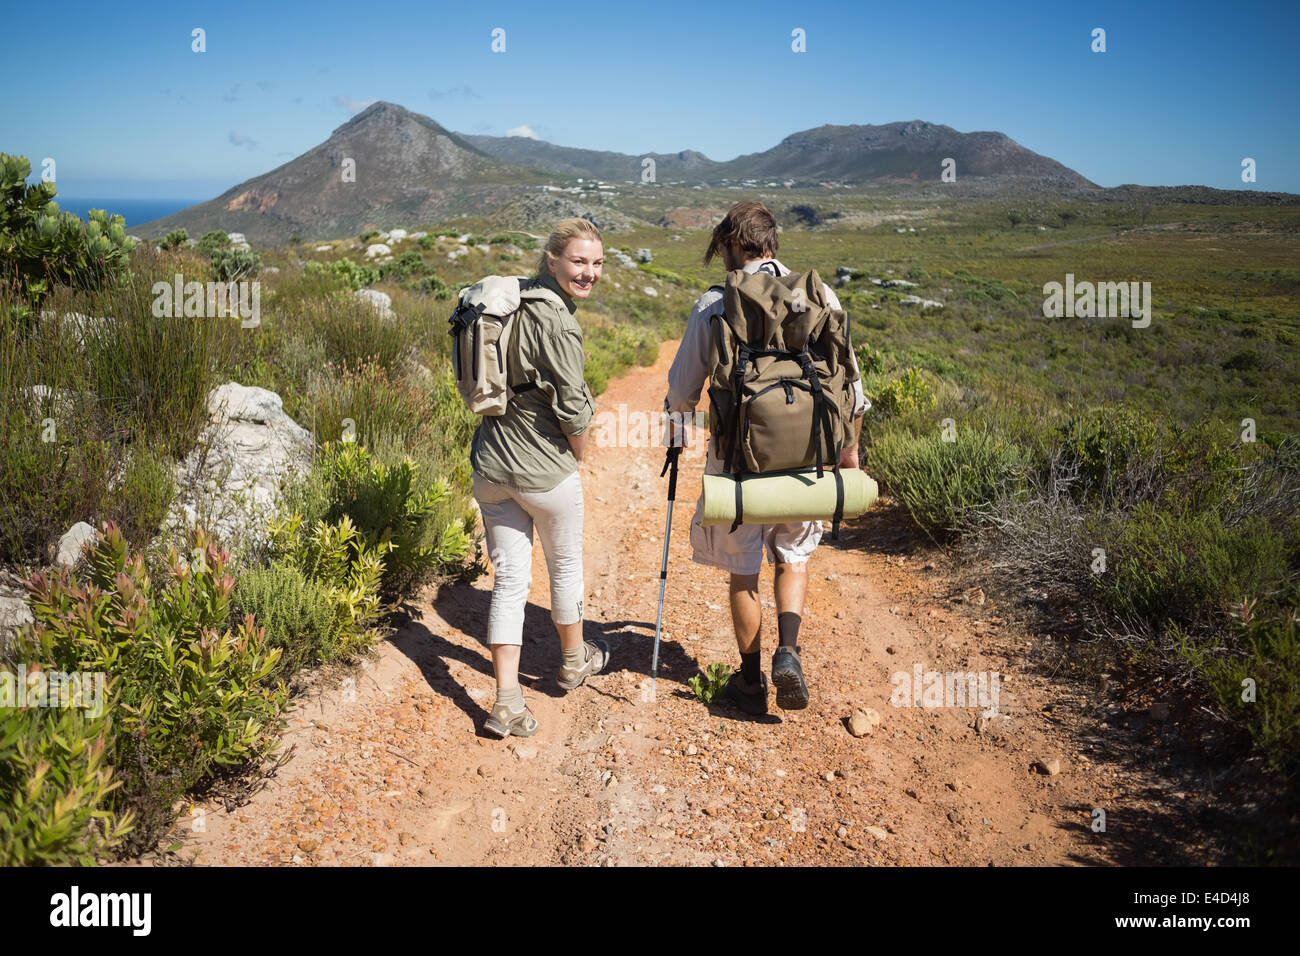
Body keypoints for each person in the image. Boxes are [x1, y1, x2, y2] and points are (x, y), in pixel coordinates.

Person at [663, 201, 867, 715]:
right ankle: (790, 654)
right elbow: (853, 391)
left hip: (738, 464)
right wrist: (849, 455)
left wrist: (677, 435)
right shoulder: (816, 295)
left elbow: (682, 390)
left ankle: (750, 683)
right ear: (772, 242)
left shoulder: (714, 303)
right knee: (792, 559)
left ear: (731, 244)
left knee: (743, 573)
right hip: (806, 460)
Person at [472, 218, 610, 738]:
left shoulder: (507, 303)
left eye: (597, 263)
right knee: (565, 565)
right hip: (543, 473)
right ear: (552, 260)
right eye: (578, 261)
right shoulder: (557, 321)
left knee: (509, 580)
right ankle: (574, 661)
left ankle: (506, 701)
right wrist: (578, 451)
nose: (589, 273)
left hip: (490, 466)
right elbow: (574, 409)